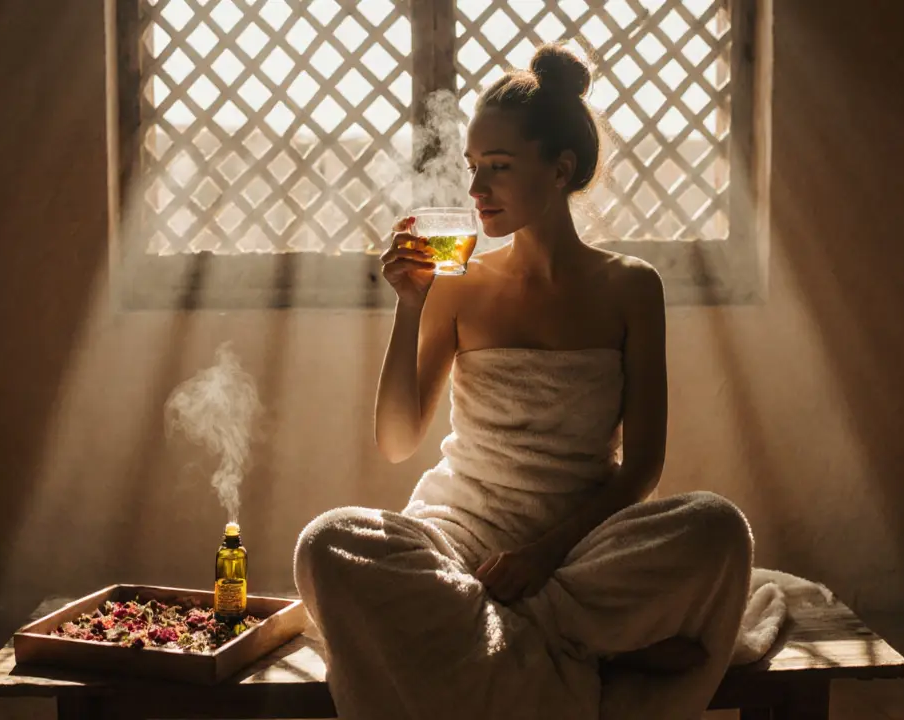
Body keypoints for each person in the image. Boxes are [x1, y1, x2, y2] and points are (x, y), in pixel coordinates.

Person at [294, 44, 754, 720]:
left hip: (579, 543)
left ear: (560, 168)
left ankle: (501, 629)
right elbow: (397, 441)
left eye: (500, 169)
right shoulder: (458, 284)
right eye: (473, 169)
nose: (477, 191)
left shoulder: (630, 287)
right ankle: (588, 645)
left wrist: (542, 555)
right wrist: (410, 305)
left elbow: (641, 469)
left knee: (718, 528)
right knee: (327, 543)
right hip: (461, 535)